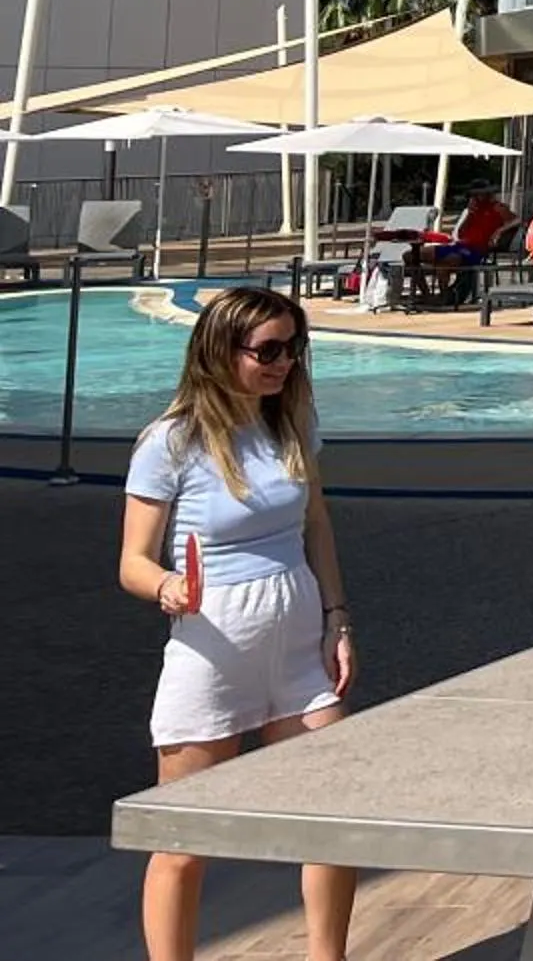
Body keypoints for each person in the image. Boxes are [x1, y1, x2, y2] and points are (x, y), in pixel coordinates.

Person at [119, 285, 357, 961]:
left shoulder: (293, 423)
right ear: (222, 351)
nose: (285, 363)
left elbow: (317, 525)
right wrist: (168, 586)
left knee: (333, 820)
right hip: (214, 648)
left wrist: (338, 619)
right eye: (269, 350)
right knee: (183, 838)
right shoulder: (172, 442)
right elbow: (132, 563)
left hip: (298, 640)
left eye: (294, 347)